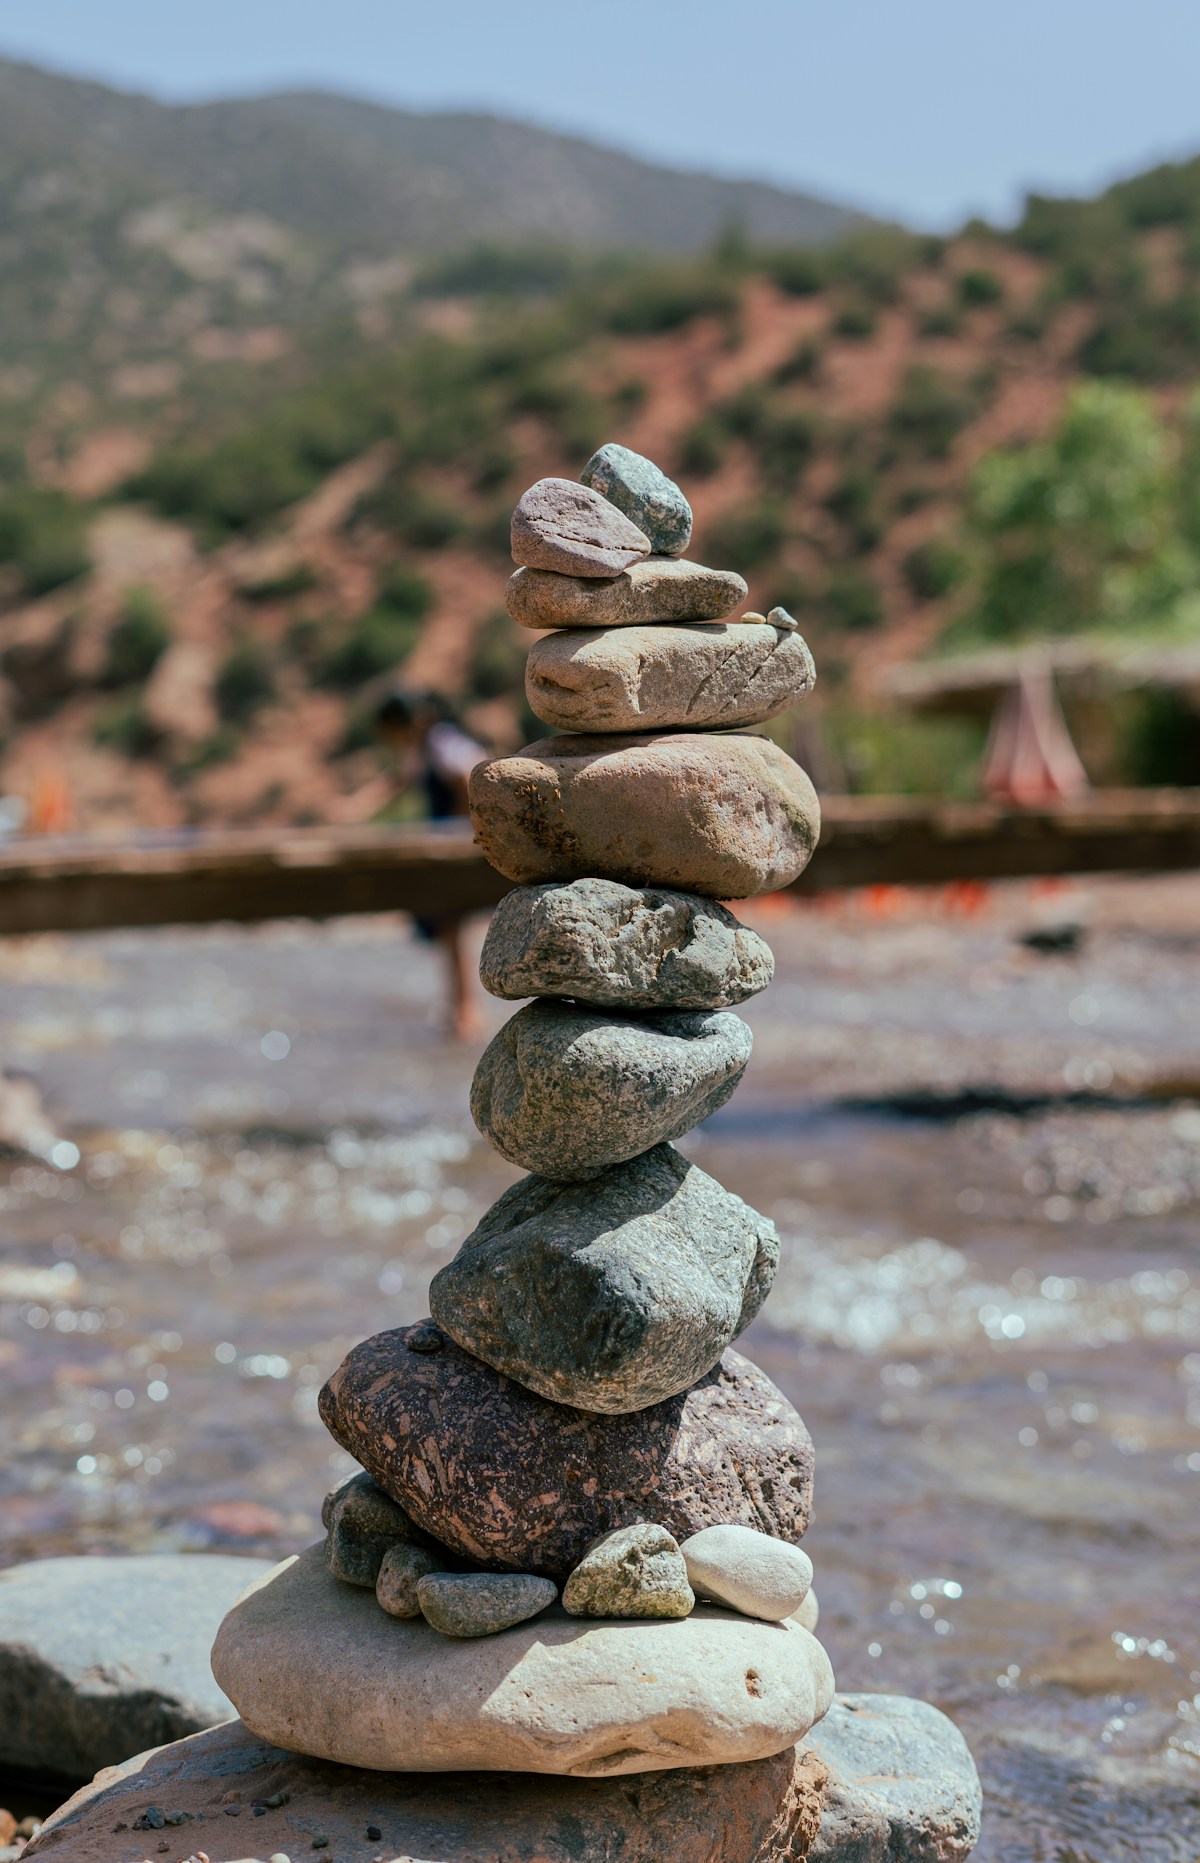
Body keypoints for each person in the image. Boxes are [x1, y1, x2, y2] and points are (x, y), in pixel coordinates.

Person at [336, 690, 487, 1039]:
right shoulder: (426, 748)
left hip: (456, 850)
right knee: (450, 930)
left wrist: (458, 828)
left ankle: (466, 1016)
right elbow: (399, 783)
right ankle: (461, 1012)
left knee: (451, 927)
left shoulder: (443, 743)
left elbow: (469, 777)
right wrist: (357, 808)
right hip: (449, 849)